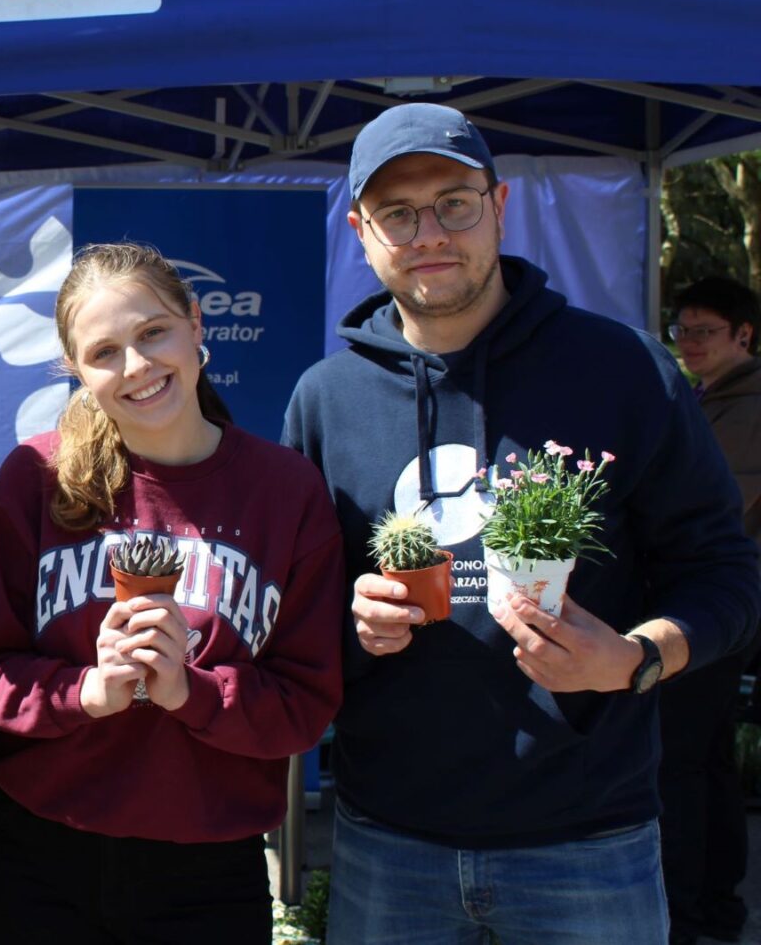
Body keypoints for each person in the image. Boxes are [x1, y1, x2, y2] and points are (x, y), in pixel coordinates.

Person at [281, 103, 761, 945]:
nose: (429, 231)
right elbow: (293, 611)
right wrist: (350, 624)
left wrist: (637, 658)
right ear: (361, 230)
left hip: (588, 846)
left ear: (499, 204)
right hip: (390, 845)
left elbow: (725, 573)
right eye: (398, 212)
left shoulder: (621, 371)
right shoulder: (327, 399)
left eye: (454, 203)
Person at [0, 243, 345, 944]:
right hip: (42, 857)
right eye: (104, 351)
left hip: (207, 869)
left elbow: (306, 704)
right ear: (74, 368)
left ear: (197, 326)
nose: (136, 366)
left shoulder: (286, 491)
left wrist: (190, 692)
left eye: (153, 332)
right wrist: (86, 691)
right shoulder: (35, 478)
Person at [659, 274, 761, 943]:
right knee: (709, 759)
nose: (689, 343)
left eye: (705, 330)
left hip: (713, 610)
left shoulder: (746, 409)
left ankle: (689, 913)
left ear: (745, 336)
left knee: (683, 762)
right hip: (720, 609)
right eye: (682, 329)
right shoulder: (712, 398)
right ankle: (717, 904)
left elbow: (701, 511)